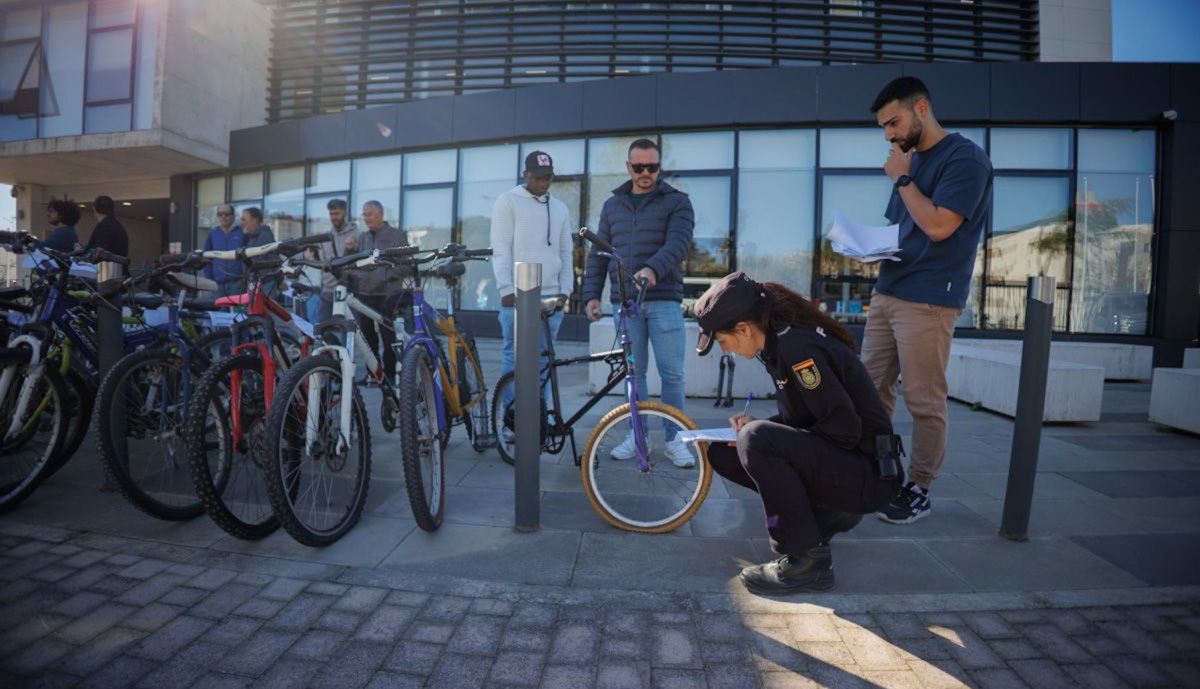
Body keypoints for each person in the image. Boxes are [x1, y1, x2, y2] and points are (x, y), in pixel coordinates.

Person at [694, 272, 903, 594]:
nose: (726, 350)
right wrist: (757, 427)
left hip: (869, 475)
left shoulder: (797, 349)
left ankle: (807, 562)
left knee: (755, 440)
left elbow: (843, 429)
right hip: (851, 465)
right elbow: (810, 417)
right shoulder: (779, 345)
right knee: (724, 450)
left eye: (723, 341)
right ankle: (825, 517)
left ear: (744, 329)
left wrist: (760, 433)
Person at [863, 77, 994, 525]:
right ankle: (876, 472)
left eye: (893, 122)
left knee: (924, 400)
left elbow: (939, 226)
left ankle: (919, 487)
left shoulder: (966, 160)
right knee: (871, 389)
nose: (888, 135)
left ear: (922, 108)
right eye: (883, 127)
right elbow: (901, 229)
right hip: (888, 291)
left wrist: (902, 178)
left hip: (929, 299)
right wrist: (863, 247)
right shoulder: (910, 161)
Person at [581, 138, 696, 467]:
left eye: (653, 167)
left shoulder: (678, 202)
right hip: (625, 304)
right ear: (628, 167)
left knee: (672, 374)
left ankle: (676, 440)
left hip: (664, 302)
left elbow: (679, 243)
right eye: (639, 166)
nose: (646, 172)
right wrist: (590, 294)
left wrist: (653, 269)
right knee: (635, 374)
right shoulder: (612, 206)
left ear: (659, 167)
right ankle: (638, 435)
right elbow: (598, 254)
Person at [490, 150, 573, 407]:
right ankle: (511, 421)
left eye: (548, 177)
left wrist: (566, 291)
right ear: (526, 174)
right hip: (517, 294)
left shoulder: (560, 208)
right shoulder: (508, 202)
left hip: (552, 297)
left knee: (545, 359)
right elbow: (501, 247)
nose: (543, 182)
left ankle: (540, 420)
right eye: (537, 177)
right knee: (513, 358)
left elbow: (566, 252)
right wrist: (505, 288)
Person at [345, 200, 407, 379]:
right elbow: (354, 263)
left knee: (389, 338)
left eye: (369, 214)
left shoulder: (397, 236)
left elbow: (406, 265)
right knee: (367, 339)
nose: (366, 218)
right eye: (364, 214)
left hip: (387, 295)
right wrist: (349, 251)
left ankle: (389, 373)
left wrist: (385, 276)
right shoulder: (362, 238)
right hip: (364, 295)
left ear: (380, 214)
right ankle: (374, 373)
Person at [301, 198, 357, 324]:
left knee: (349, 333)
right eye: (331, 214)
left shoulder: (356, 234)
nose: (333, 217)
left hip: (349, 292)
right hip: (328, 291)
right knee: (321, 330)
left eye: (337, 213)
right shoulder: (326, 237)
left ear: (345, 213)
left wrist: (353, 249)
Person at [203, 204, 245, 297]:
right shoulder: (213, 234)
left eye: (227, 214)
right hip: (218, 285)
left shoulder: (242, 232)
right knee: (219, 311)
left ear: (233, 216)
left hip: (238, 284)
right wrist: (210, 278)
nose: (223, 216)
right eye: (220, 214)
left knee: (237, 311)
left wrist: (244, 277)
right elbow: (206, 257)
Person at [240, 207, 279, 297]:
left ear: (255, 220)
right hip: (254, 284)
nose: (241, 223)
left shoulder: (265, 236)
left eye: (244, 219)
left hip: (265, 285)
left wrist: (280, 280)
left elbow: (275, 260)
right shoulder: (251, 237)